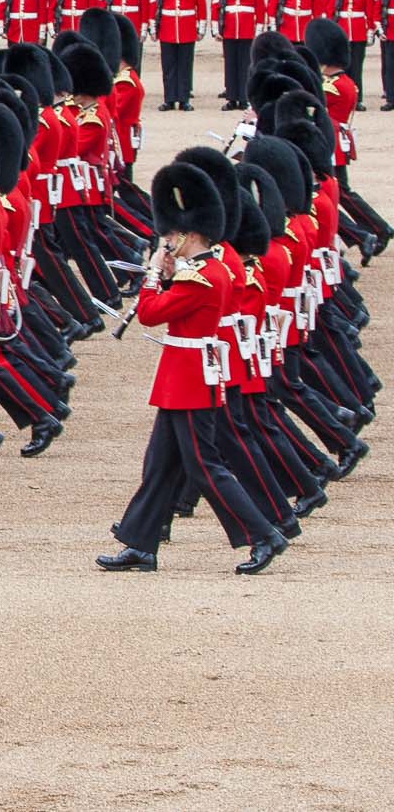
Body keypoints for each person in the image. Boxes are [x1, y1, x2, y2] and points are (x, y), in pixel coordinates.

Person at [97, 162, 287, 574]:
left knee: (205, 467)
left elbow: (149, 315)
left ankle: (263, 535)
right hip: (183, 376)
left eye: (170, 235)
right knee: (160, 463)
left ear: (188, 234)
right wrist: (168, 276)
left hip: (191, 379)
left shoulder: (200, 278)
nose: (166, 241)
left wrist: (152, 277)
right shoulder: (206, 271)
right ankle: (140, 543)